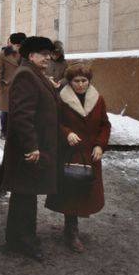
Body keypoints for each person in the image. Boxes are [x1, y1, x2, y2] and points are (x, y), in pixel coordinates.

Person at [1, 36, 59, 261]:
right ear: (30, 55)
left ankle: (15, 238)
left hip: (29, 148)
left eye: (49, 54)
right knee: (26, 194)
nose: (47, 57)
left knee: (23, 194)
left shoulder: (34, 74)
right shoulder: (26, 75)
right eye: (43, 54)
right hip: (28, 150)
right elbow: (23, 117)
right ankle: (25, 241)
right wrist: (32, 146)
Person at [45, 63, 111, 252]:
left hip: (90, 153)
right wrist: (66, 133)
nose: (81, 85)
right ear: (70, 81)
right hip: (70, 152)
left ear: (89, 81)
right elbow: (54, 122)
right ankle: (71, 231)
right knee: (71, 190)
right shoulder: (61, 99)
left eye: (84, 81)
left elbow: (105, 125)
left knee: (85, 190)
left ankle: (72, 228)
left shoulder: (98, 100)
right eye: (76, 81)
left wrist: (100, 144)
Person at [0, 32, 27, 139]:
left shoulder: (26, 54)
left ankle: (16, 132)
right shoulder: (3, 54)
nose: (18, 47)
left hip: (22, 87)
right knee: (5, 111)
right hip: (7, 86)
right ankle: (4, 131)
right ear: (12, 44)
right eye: (17, 45)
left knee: (19, 111)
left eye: (20, 46)